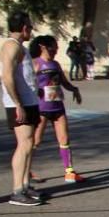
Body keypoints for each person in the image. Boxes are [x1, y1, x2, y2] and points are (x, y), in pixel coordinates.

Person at [0, 11, 43, 206]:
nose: (31, 30)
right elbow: (7, 77)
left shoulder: (20, 47)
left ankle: (25, 185)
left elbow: (23, 76)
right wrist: (18, 104)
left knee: (29, 143)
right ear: (24, 28)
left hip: (29, 101)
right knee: (24, 144)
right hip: (19, 104)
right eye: (30, 26)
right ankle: (17, 191)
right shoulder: (11, 46)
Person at [29, 35, 85, 183]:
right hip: (41, 108)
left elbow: (64, 82)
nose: (55, 51)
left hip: (58, 106)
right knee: (36, 140)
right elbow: (27, 85)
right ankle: (26, 170)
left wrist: (74, 90)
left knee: (64, 139)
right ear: (43, 47)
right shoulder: (35, 64)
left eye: (57, 48)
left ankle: (69, 171)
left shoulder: (56, 64)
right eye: (53, 48)